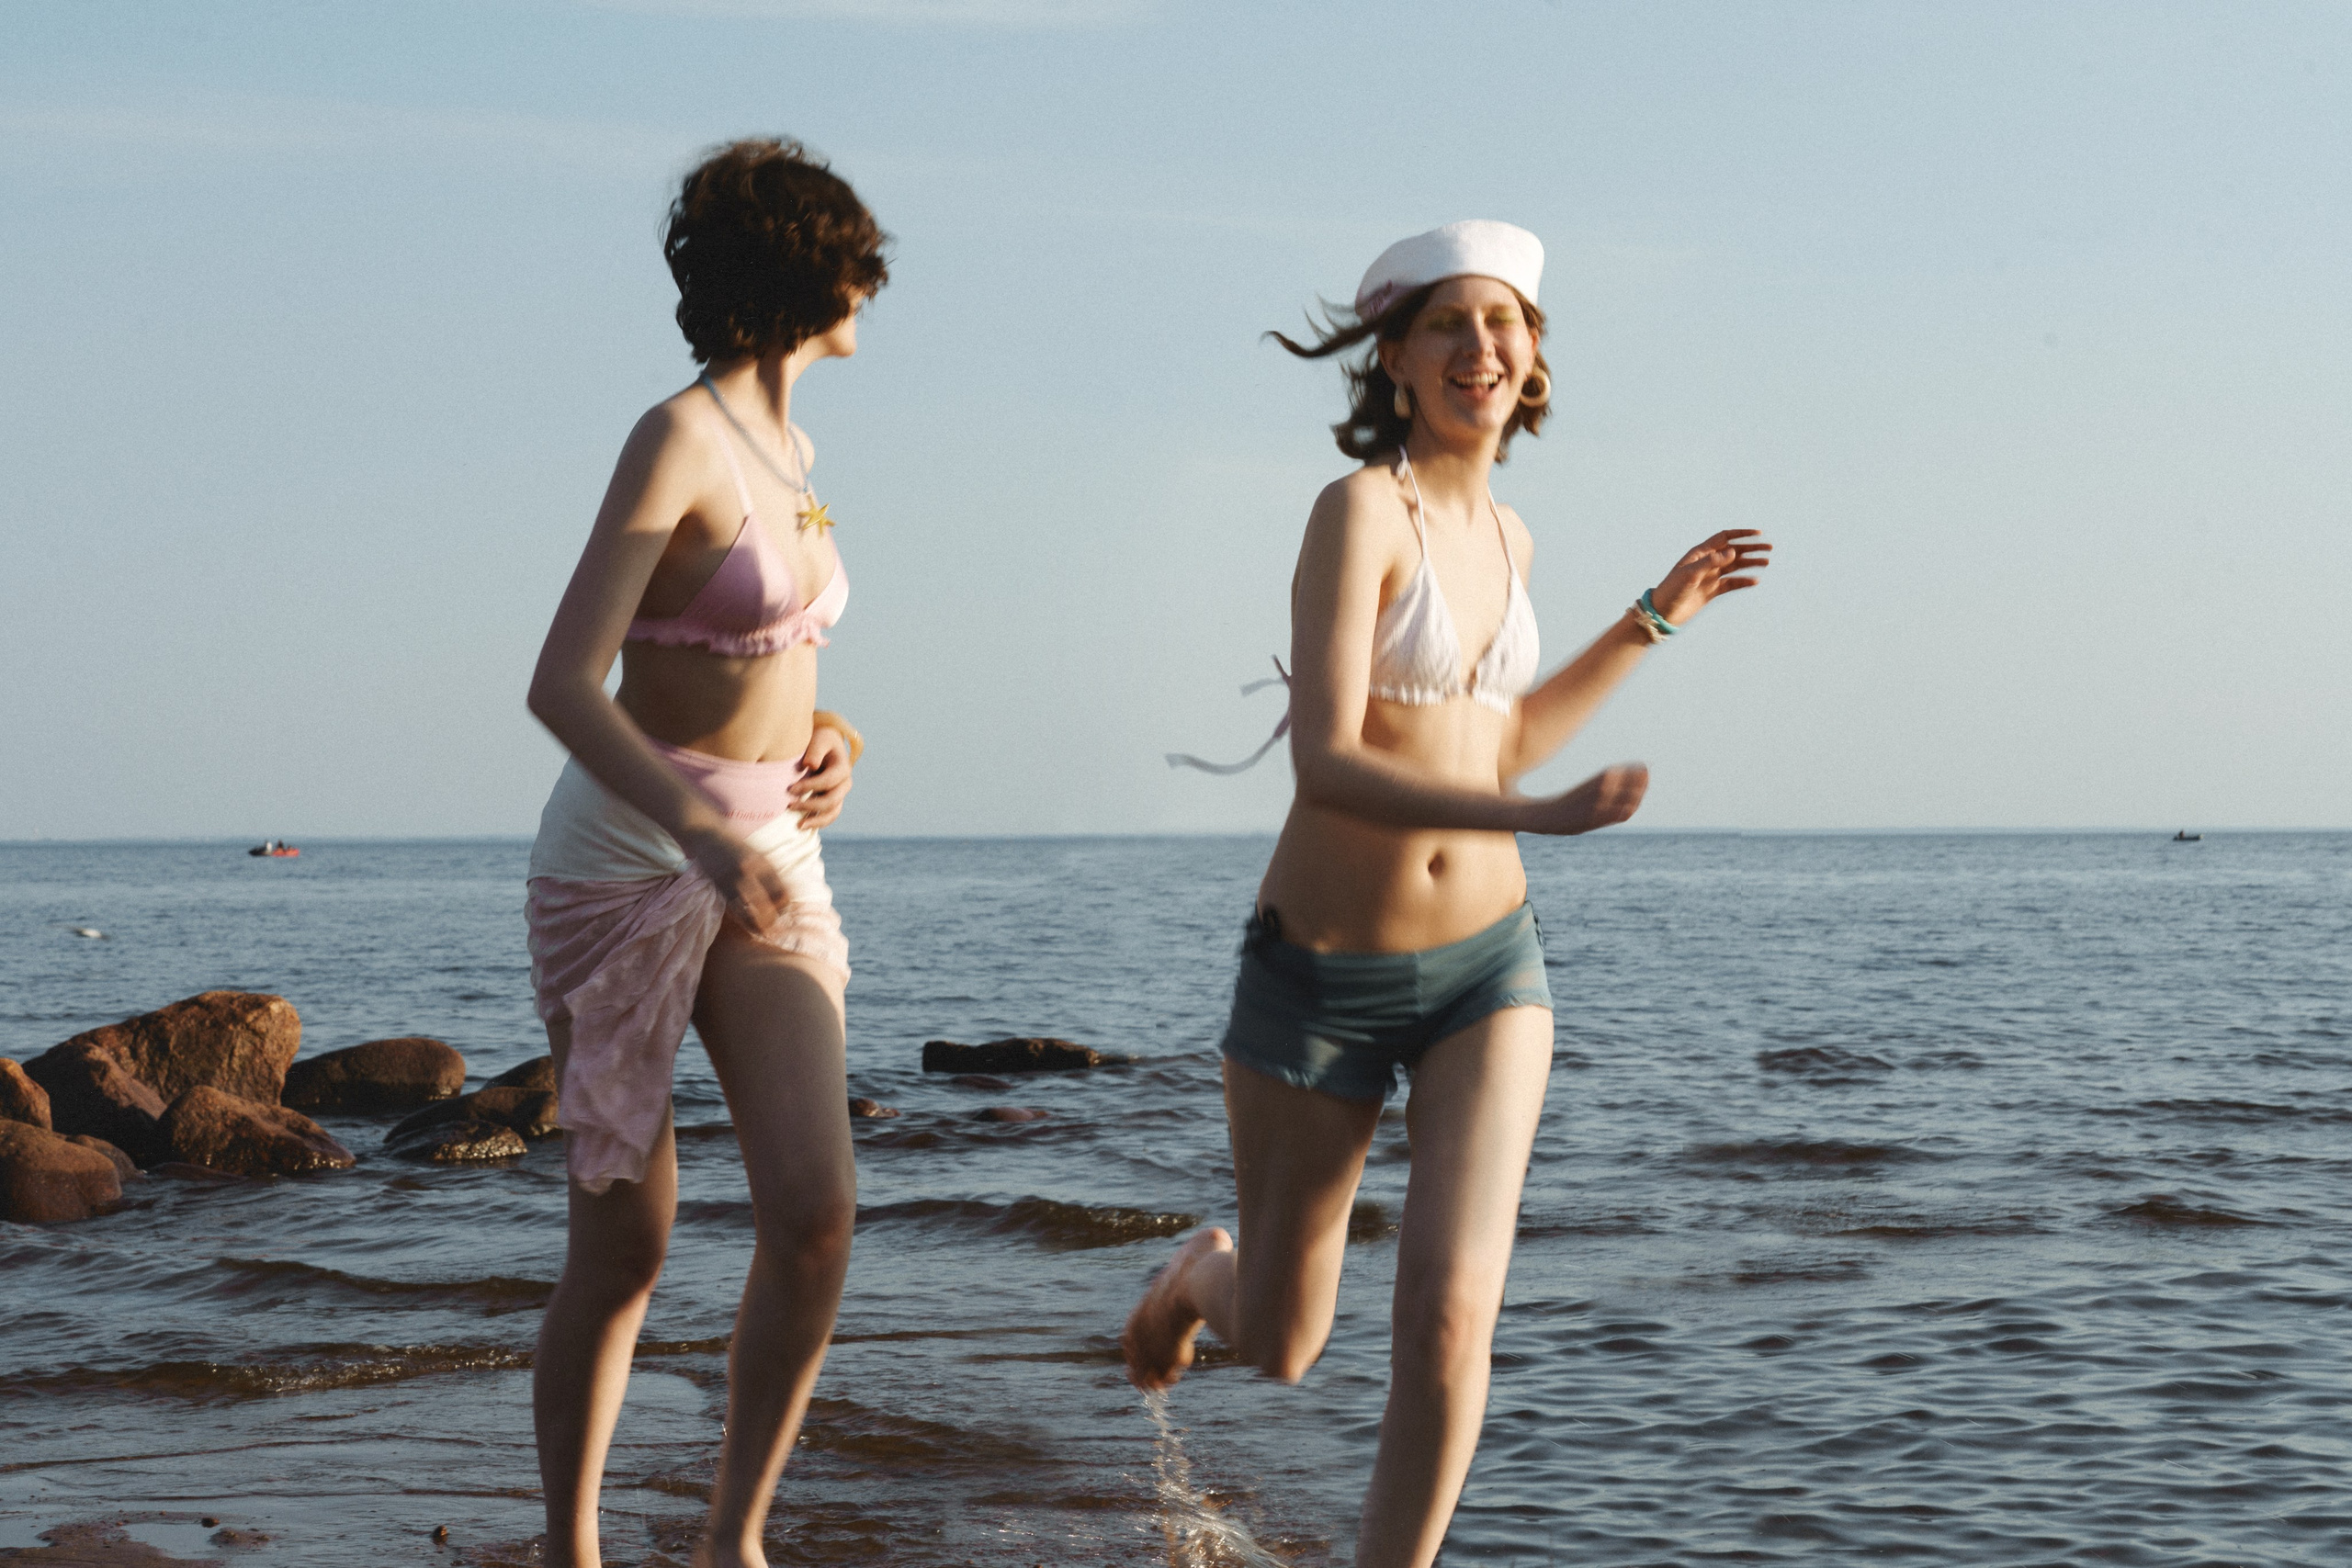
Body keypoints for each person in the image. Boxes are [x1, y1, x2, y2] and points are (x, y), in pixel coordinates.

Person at [1127, 220, 1771, 1567]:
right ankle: (1198, 1274)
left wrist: (1651, 620)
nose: (1482, 347)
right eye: (1449, 325)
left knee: (1450, 1314)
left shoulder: (1511, 535)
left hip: (1490, 968)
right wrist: (1539, 815)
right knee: (1285, 1344)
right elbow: (1329, 759)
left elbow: (1501, 738)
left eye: (1505, 323)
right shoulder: (1361, 510)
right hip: (1321, 970)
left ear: (1533, 356)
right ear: (1397, 361)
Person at [521, 137, 886, 1568]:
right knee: (627, 1245)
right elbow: (564, 684)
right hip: (628, 859)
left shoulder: (798, 455)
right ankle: (573, 1548)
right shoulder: (675, 437)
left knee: (816, 1214)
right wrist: (698, 832)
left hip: (774, 851)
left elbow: (767, 657)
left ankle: (734, 1540)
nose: (873, 286)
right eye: (855, 259)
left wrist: (838, 732)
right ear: (800, 271)